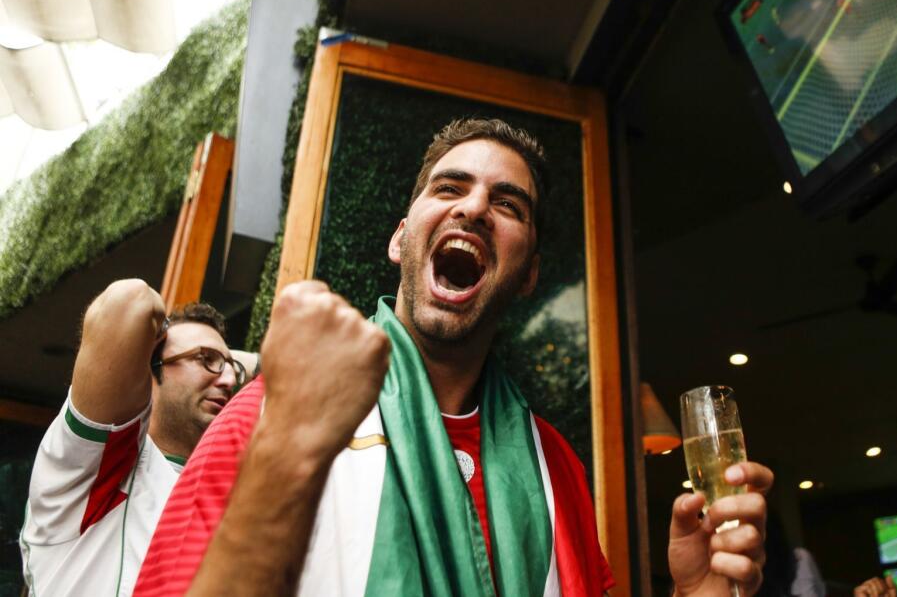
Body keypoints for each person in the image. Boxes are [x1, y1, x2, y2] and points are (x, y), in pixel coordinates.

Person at [134, 118, 772, 596]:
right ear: (400, 238)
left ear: (528, 276)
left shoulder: (554, 465)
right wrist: (288, 451)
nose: (473, 207)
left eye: (507, 203)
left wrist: (696, 595)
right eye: (450, 188)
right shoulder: (269, 414)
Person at [19, 280, 247, 597]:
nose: (230, 379)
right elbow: (130, 303)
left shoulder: (235, 497)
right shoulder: (99, 469)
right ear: (147, 370)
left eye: (234, 367)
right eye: (206, 358)